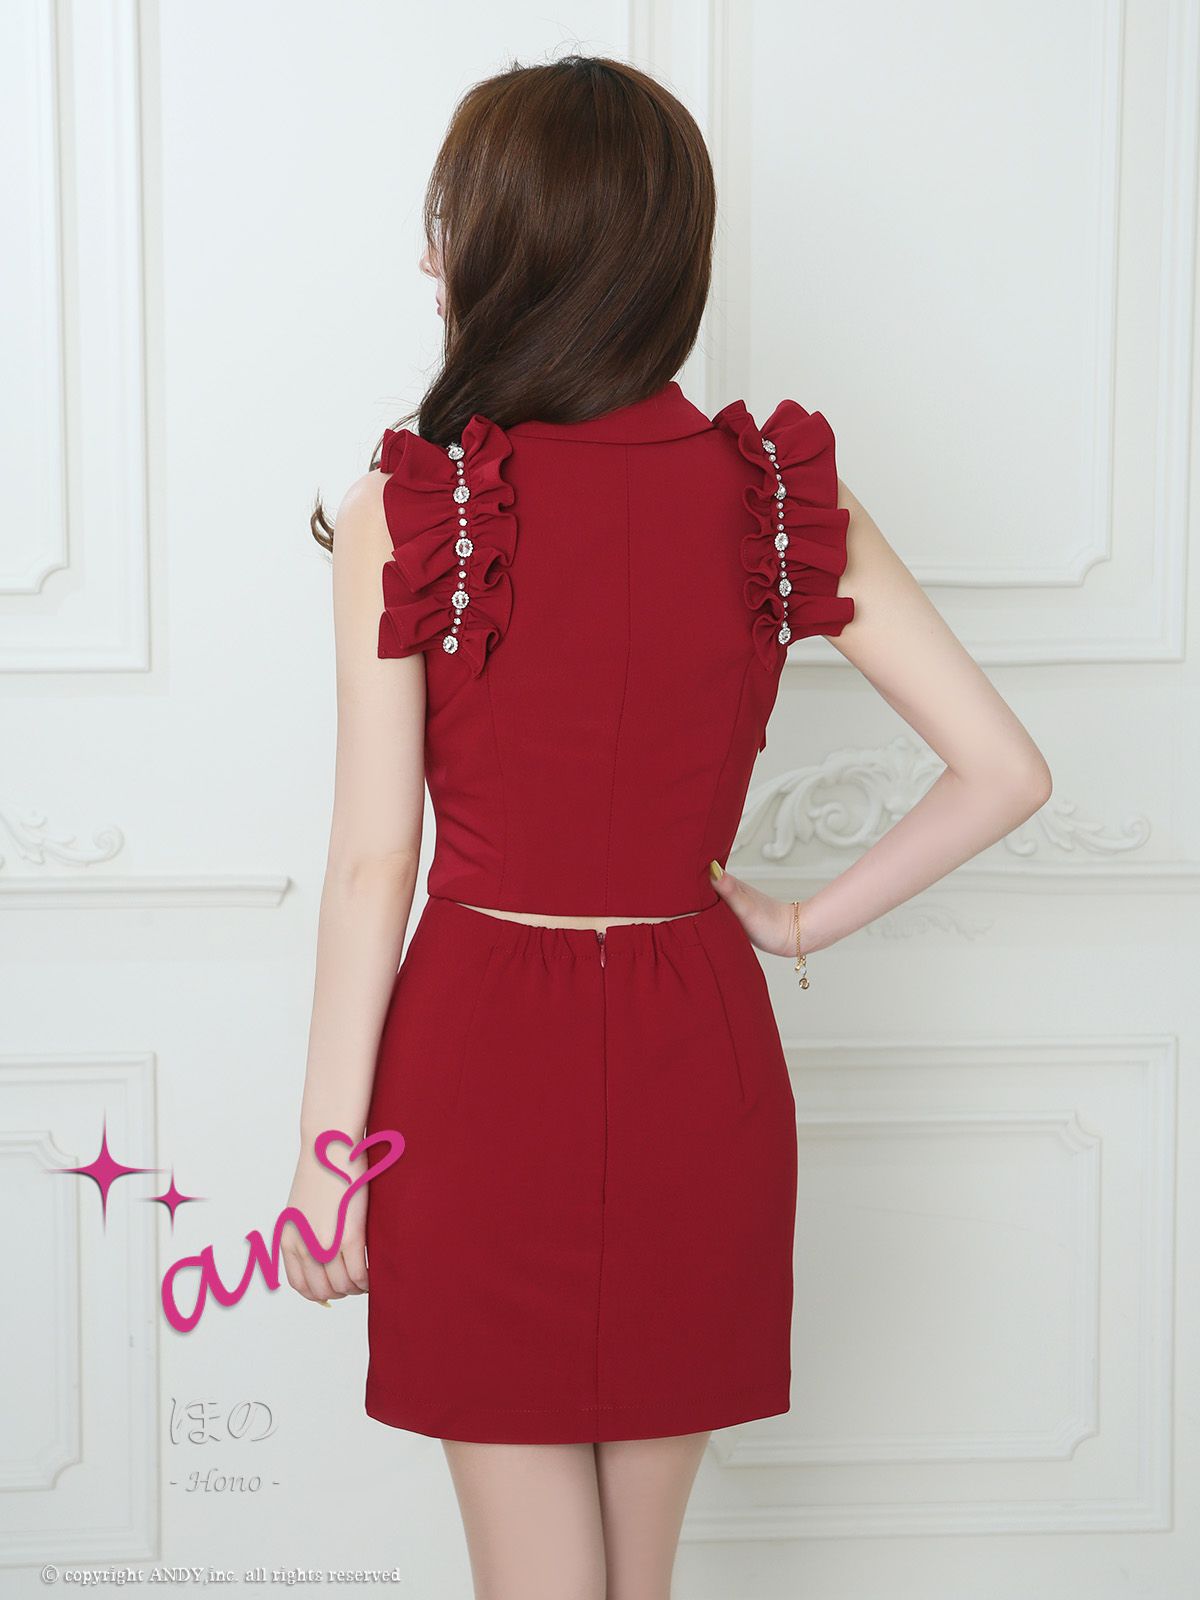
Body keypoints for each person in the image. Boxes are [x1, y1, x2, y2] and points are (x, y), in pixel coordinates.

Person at [283, 53, 1052, 1600]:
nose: (428, 261)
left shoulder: (419, 507)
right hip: (699, 1047)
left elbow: (374, 867)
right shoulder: (775, 496)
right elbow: (1005, 770)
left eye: (448, 222)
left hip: (479, 1068)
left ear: (514, 246)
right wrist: (797, 921)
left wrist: (323, 1159)